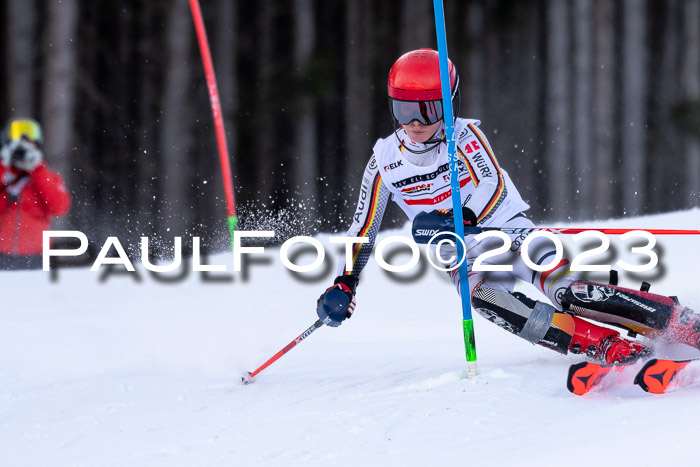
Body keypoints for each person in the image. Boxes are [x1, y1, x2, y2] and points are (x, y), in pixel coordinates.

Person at [315, 48, 700, 364]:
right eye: (404, 111)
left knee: (568, 294)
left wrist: (457, 218)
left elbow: (493, 186)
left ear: (449, 105)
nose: (415, 124)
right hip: (465, 258)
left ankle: (676, 321)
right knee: (486, 300)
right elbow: (362, 231)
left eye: (428, 111)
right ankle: (599, 345)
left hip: (509, 232)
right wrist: (344, 283)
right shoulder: (384, 162)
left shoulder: (463, 137)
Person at [0, 118, 71, 270]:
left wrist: (37, 169)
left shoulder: (47, 176)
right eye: (18, 136)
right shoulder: (3, 172)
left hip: (36, 258)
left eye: (30, 138)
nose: (24, 143)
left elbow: (59, 207)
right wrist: (2, 166)